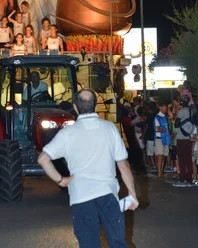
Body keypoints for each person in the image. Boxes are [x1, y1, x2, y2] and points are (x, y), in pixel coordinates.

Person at [38, 89, 138, 248]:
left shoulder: (67, 133)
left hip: (81, 197)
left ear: (75, 108)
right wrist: (132, 194)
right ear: (95, 105)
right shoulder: (109, 128)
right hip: (107, 195)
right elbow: (123, 165)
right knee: (118, 243)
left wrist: (61, 180)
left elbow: (43, 159)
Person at [173, 96, 195, 187]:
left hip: (181, 138)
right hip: (188, 138)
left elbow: (176, 124)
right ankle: (189, 179)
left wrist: (177, 111)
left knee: (181, 160)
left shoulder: (181, 111)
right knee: (188, 159)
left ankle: (183, 178)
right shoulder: (192, 111)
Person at [154, 102, 171, 179]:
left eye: (166, 107)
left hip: (165, 138)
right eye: (163, 107)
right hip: (159, 138)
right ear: (160, 107)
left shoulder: (165, 116)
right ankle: (159, 173)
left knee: (163, 156)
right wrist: (163, 131)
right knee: (160, 156)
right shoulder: (157, 117)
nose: (165, 108)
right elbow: (157, 128)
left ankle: (161, 172)